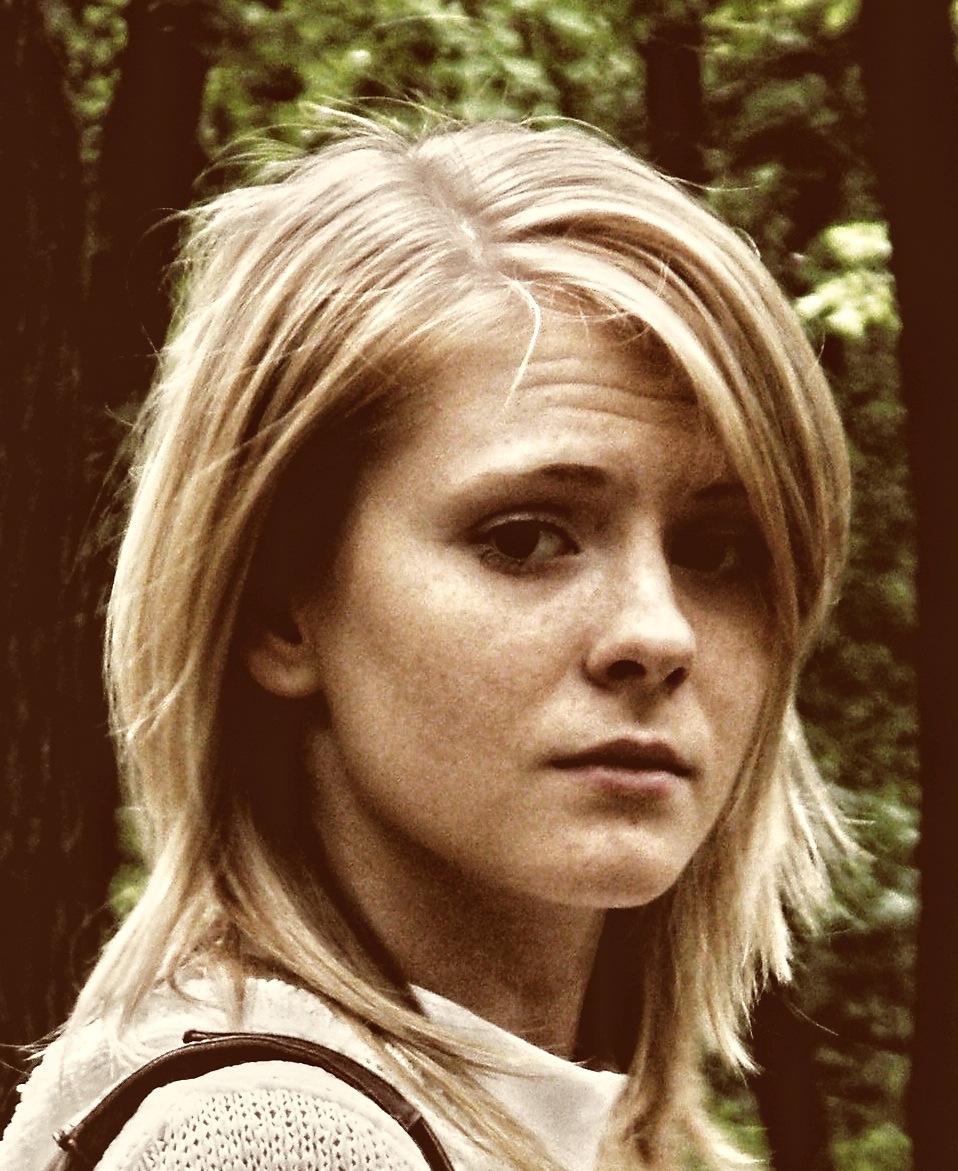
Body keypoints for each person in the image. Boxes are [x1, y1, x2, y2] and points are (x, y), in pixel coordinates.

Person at [0, 115, 851, 1171]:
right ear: (279, 608)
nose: (655, 631)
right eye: (525, 538)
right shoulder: (273, 1140)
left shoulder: (561, 1126)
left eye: (719, 552)